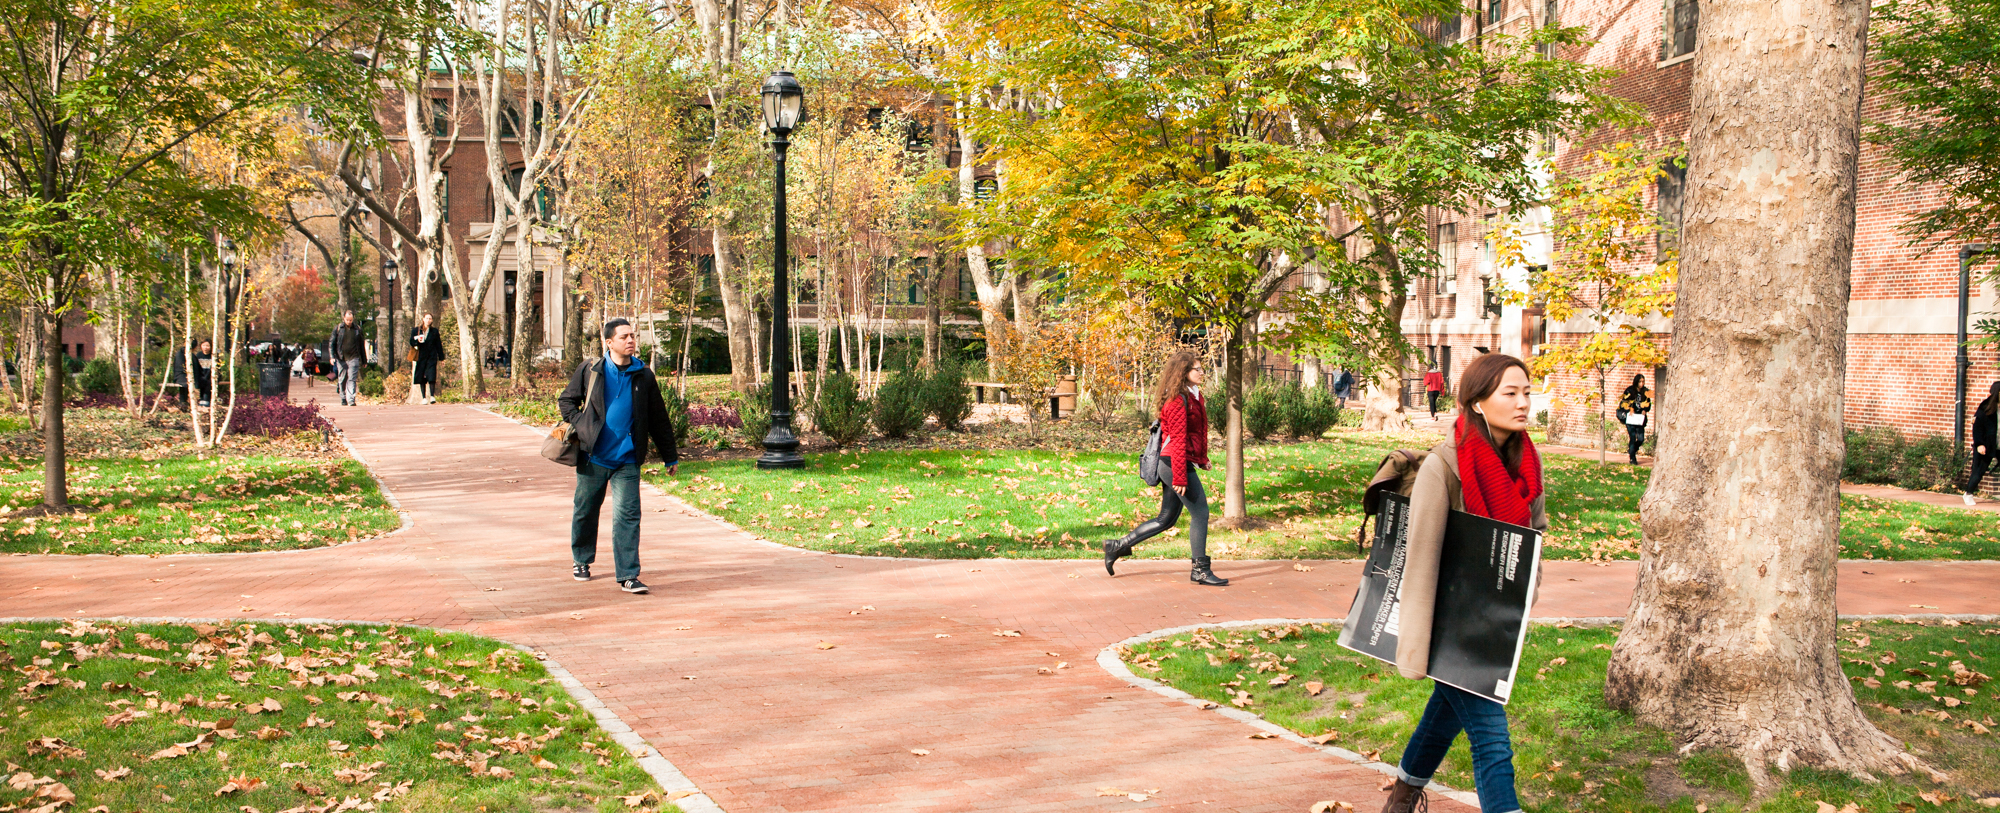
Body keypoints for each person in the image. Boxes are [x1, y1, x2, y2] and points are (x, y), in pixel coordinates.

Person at [1378, 352, 1544, 813]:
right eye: (1509, 393)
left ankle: (1402, 797)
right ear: (1476, 402)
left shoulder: (1528, 460)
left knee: (1445, 715)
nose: (1522, 403)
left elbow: (1536, 534)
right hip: (1452, 623)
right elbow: (1422, 557)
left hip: (1495, 617)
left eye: (1526, 392)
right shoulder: (1444, 466)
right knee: (1492, 740)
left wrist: (1522, 595)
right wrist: (1418, 641)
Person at [558, 318, 681, 594]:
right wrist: (582, 424)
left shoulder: (644, 375)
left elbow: (658, 417)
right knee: (586, 510)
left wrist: (669, 455)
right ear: (609, 342)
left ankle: (627, 574)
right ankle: (581, 559)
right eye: (624, 336)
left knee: (627, 515)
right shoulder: (591, 369)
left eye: (633, 336)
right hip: (594, 456)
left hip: (627, 458)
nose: (630, 340)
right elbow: (567, 400)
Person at [1101, 351, 1228, 586]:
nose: (1202, 373)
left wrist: (1201, 458)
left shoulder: (1193, 395)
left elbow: (1195, 434)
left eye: (1202, 369)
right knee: (1200, 512)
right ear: (1184, 373)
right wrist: (1180, 476)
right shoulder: (1178, 400)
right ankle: (1200, 569)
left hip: (1177, 461)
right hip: (1172, 464)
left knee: (1166, 519)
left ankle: (1117, 546)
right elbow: (1177, 440)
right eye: (1196, 369)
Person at [1965, 381, 1999, 505]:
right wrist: (1979, 444)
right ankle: (1968, 494)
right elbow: (1977, 427)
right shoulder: (1985, 407)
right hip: (1987, 444)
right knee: (1979, 471)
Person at [327, 310, 367, 406]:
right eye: (347, 320)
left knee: (352, 379)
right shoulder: (338, 329)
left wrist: (364, 360)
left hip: (354, 357)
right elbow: (331, 343)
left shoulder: (357, 329)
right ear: (344, 318)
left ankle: (351, 399)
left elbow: (361, 345)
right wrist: (332, 357)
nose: (349, 322)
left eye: (351, 320)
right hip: (341, 358)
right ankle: (343, 397)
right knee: (342, 379)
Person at [1617, 374, 1653, 465]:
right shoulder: (1630, 390)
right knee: (1632, 437)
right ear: (1636, 381)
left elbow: (1648, 404)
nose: (1642, 383)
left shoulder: (1646, 391)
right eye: (1640, 381)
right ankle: (1632, 458)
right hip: (1631, 418)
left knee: (1641, 438)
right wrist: (1629, 409)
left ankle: (1631, 450)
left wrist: (1645, 410)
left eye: (1643, 381)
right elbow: (1623, 403)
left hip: (1640, 418)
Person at [411, 313, 445, 404]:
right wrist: (416, 341)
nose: (428, 320)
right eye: (427, 318)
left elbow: (438, 345)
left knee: (431, 375)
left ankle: (432, 396)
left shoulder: (434, 331)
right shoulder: (416, 330)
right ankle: (424, 397)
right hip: (421, 356)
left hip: (431, 356)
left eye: (430, 318)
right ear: (423, 319)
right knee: (422, 377)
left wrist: (441, 358)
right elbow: (411, 341)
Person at [191, 340, 214, 408]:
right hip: (201, 375)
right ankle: (202, 399)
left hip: (210, 376)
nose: (205, 347)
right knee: (201, 382)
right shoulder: (198, 355)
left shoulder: (213, 356)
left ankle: (206, 399)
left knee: (208, 383)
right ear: (201, 346)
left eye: (207, 346)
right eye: (204, 345)